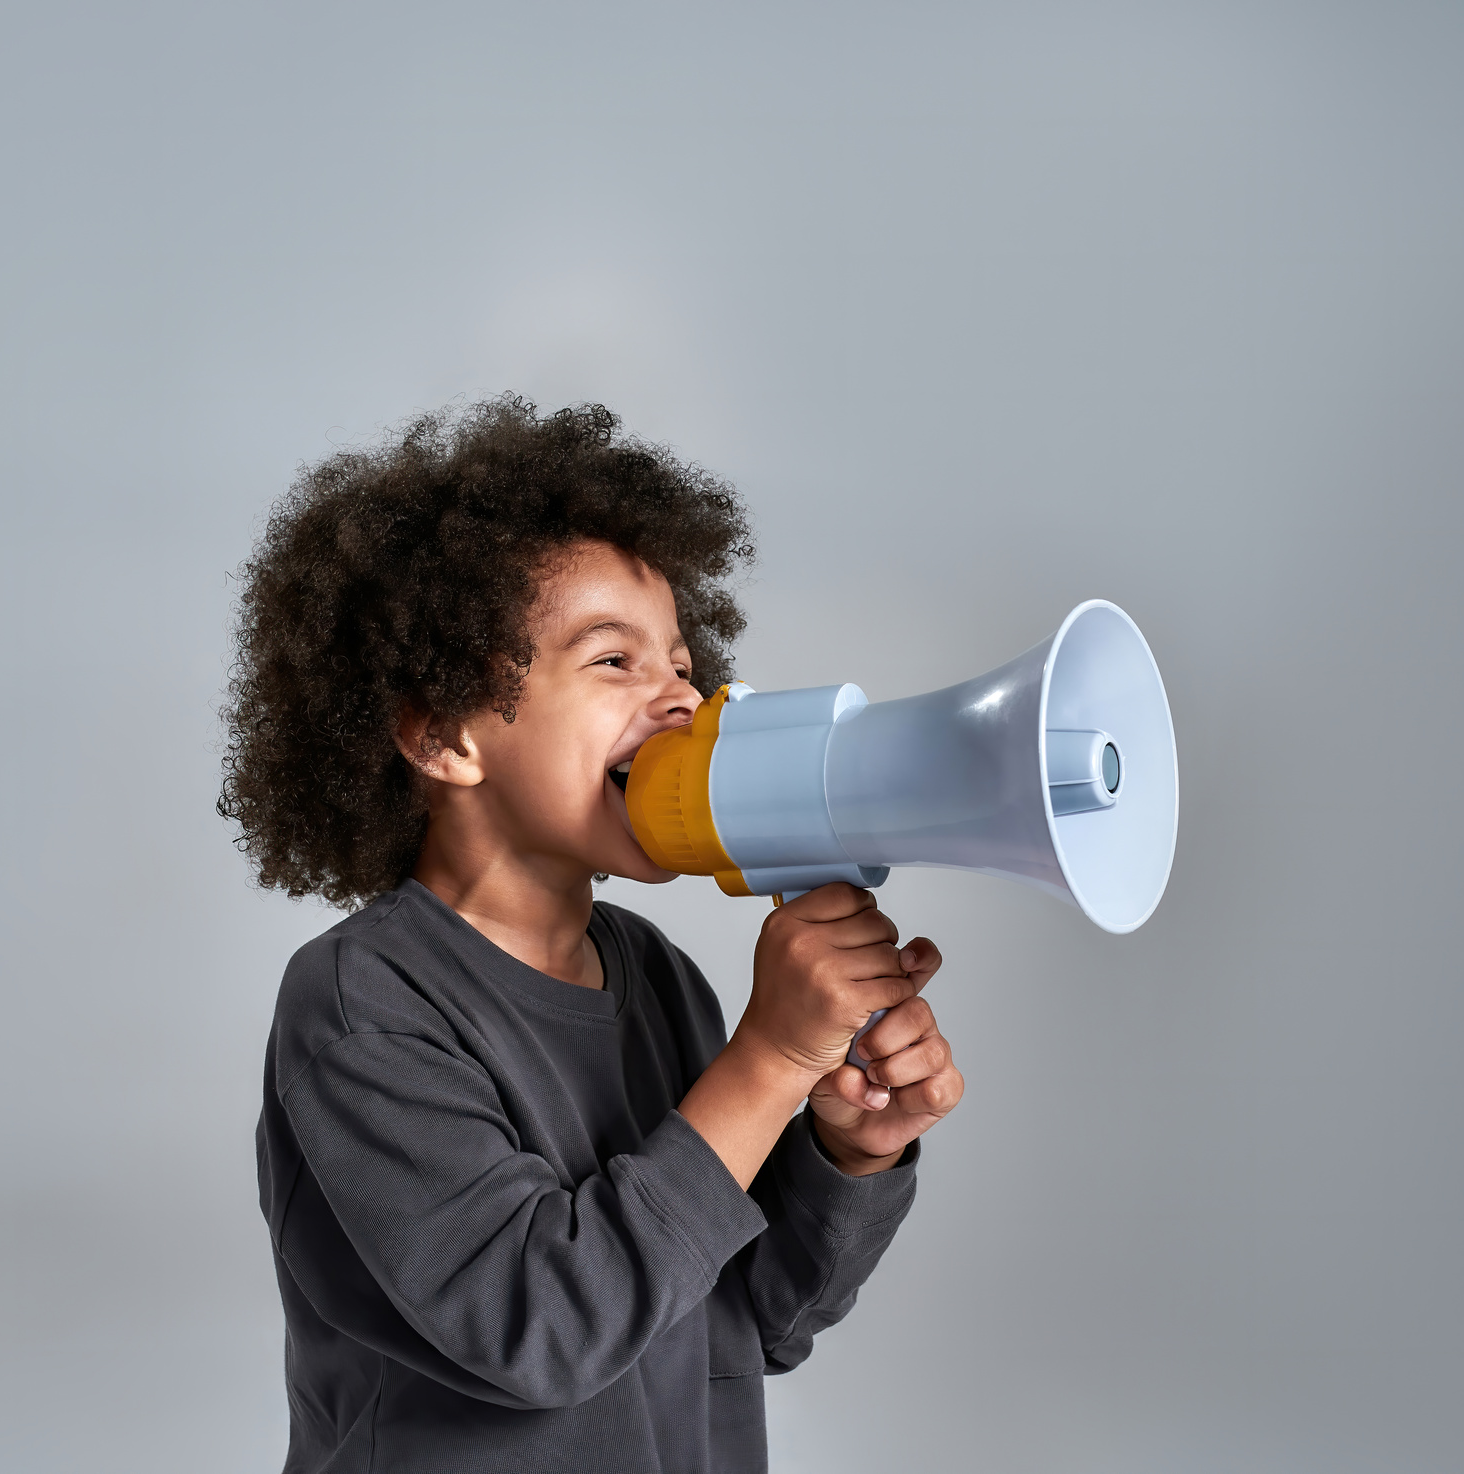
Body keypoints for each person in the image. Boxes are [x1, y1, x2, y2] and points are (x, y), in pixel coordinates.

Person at [220, 395, 966, 1473]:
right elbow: (543, 1327)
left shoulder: (655, 977)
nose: (680, 700)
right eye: (613, 661)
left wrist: (847, 1148)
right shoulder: (360, 1001)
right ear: (443, 734)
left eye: (680, 663)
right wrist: (769, 1062)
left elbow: (744, 1321)